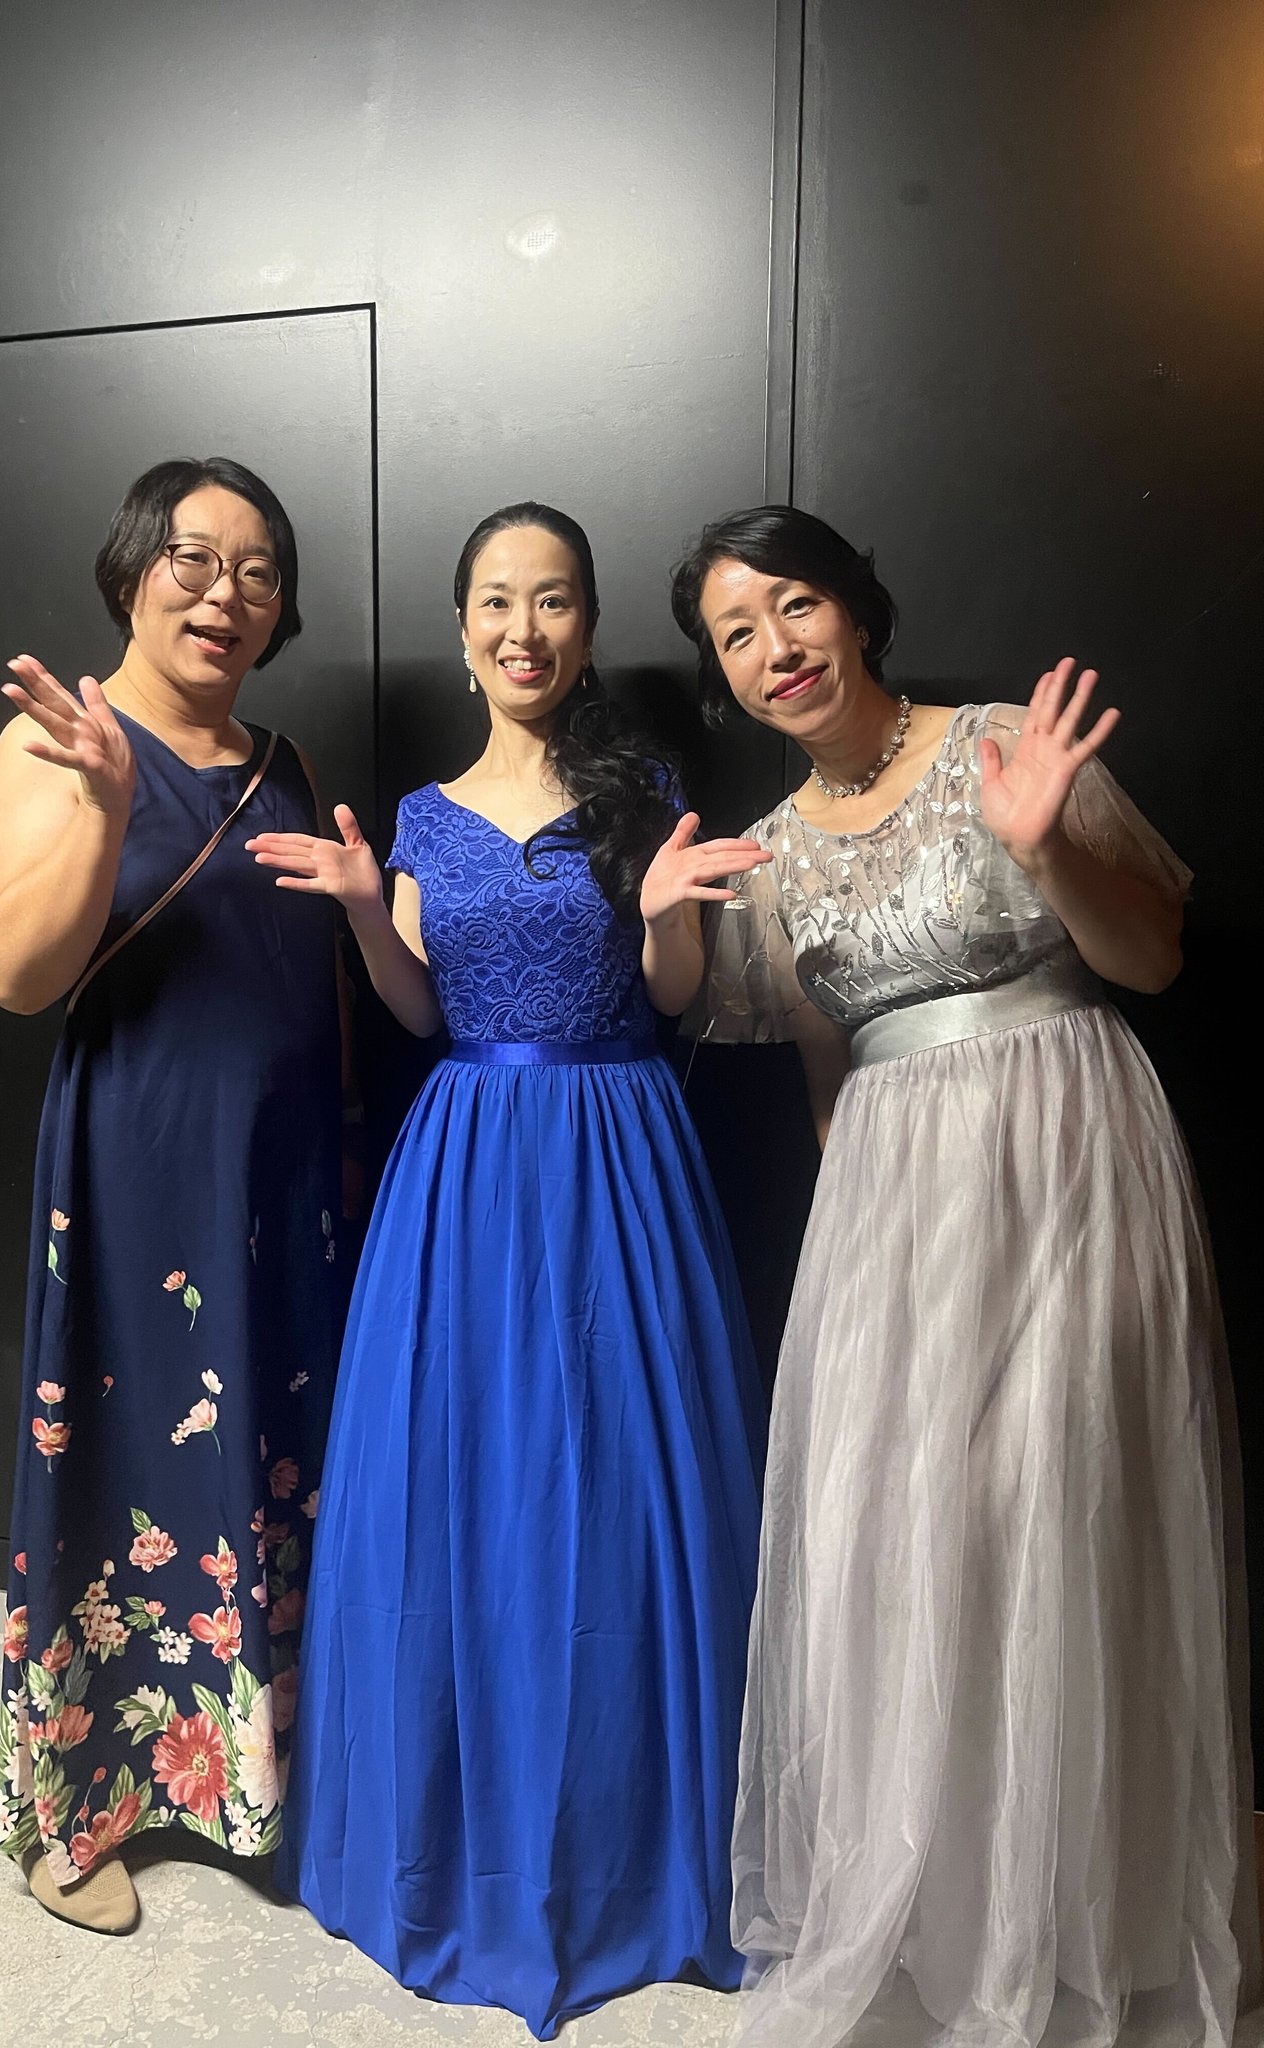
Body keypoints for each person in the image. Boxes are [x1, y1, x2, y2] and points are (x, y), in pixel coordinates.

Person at [670, 505, 1257, 2048]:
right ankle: (946, 1899)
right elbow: (827, 1068)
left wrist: (1047, 841)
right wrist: (867, 1252)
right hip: (891, 1201)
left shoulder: (1006, 741)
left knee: (1066, 1510)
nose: (775, 648)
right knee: (913, 1536)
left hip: (1071, 1156)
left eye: (794, 605)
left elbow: (1152, 960)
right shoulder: (771, 855)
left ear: (855, 609)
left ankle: (1083, 1915)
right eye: (737, 634)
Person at [255, 502, 768, 2038]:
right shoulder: (418, 817)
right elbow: (419, 1015)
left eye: (552, 601)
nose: (523, 628)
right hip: (467, 1157)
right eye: (496, 600)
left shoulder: (642, 795)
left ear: (587, 629)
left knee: (622, 1481)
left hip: (618, 1149)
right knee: (463, 1477)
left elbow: (673, 997)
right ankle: (454, 1833)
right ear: (464, 627)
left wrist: (665, 921)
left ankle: (631, 1845)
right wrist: (366, 917)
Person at [0, 457, 345, 1934]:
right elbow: (14, 974)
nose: (224, 594)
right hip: (139, 1173)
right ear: (133, 570)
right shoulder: (56, 742)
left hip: (285, 1177)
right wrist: (102, 804)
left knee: (272, 1461)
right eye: (195, 559)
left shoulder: (284, 756)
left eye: (258, 571)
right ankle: (75, 1808)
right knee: (119, 1465)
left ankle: (251, 1782)